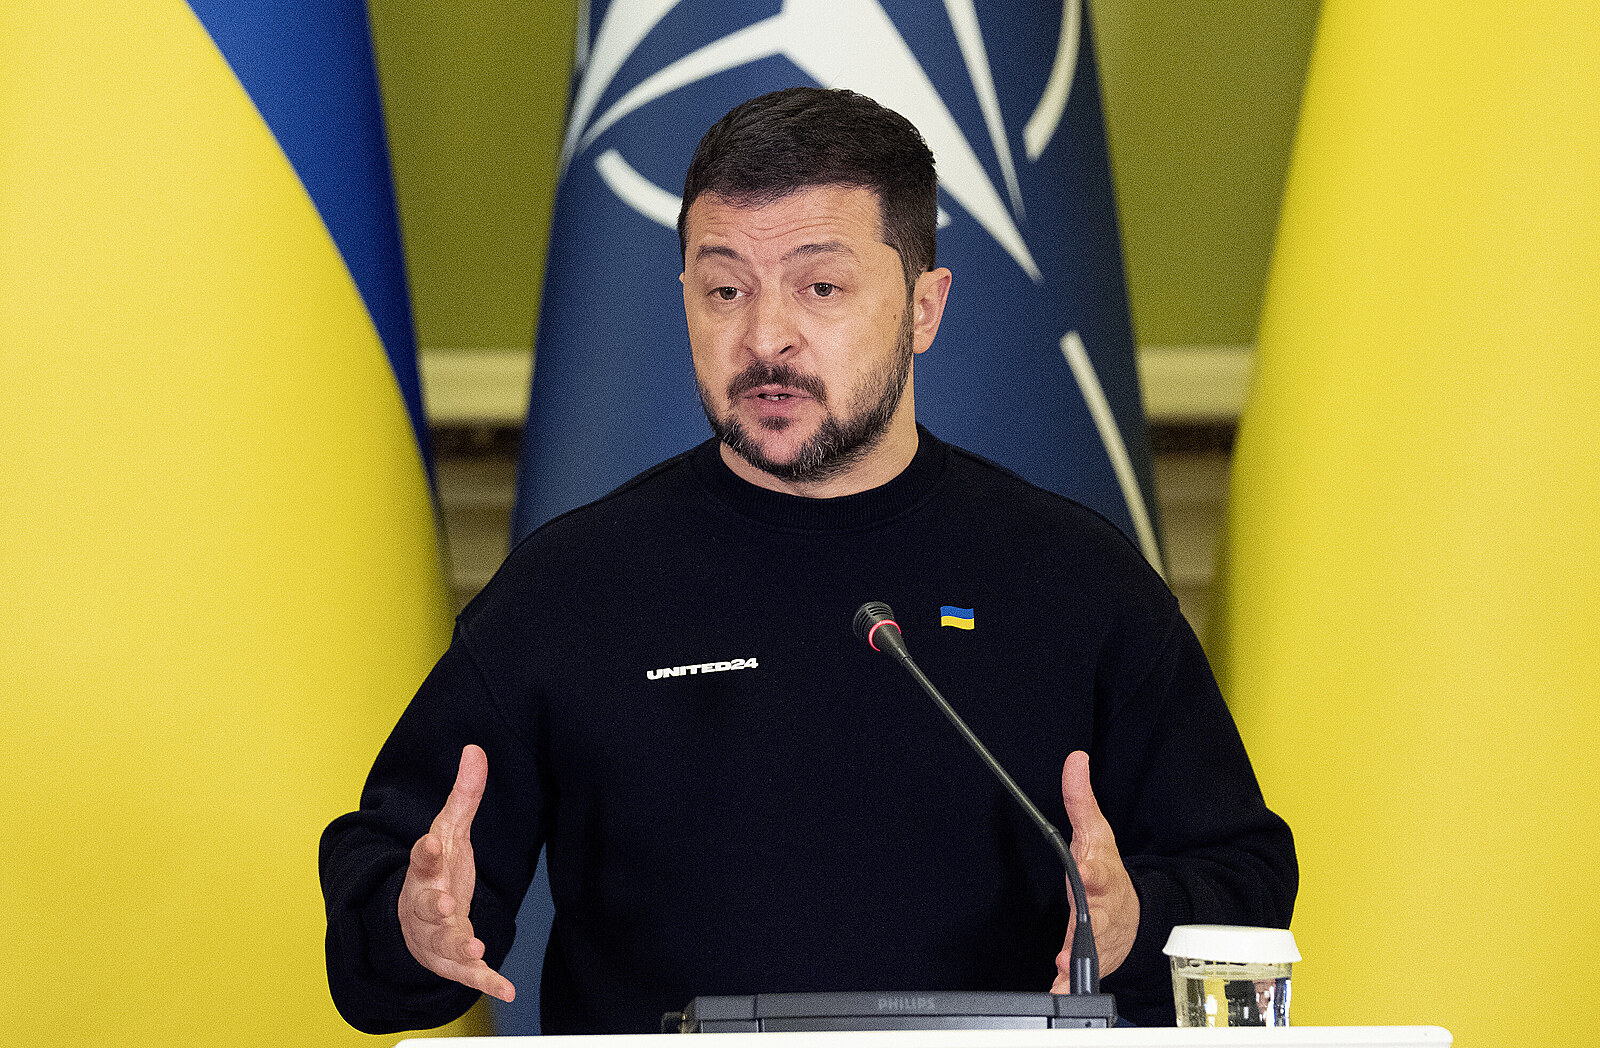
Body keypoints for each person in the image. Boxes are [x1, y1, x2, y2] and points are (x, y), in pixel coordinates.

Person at [319, 87, 1296, 1035]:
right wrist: (410, 924)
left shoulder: (1072, 580)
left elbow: (1243, 878)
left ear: (923, 308)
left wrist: (1136, 923)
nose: (765, 337)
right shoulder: (573, 588)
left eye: (820, 287)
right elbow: (391, 908)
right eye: (724, 290)